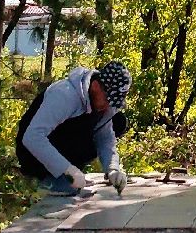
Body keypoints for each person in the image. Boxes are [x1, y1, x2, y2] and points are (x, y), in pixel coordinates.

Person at [16, 61, 132, 196]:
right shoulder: (64, 95)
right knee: (82, 130)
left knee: (118, 122)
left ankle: (66, 175)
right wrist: (67, 169)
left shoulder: (103, 104)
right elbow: (32, 137)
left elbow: (105, 138)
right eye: (108, 99)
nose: (109, 105)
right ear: (95, 86)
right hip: (31, 153)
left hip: (63, 142)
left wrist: (112, 168)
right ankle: (46, 178)